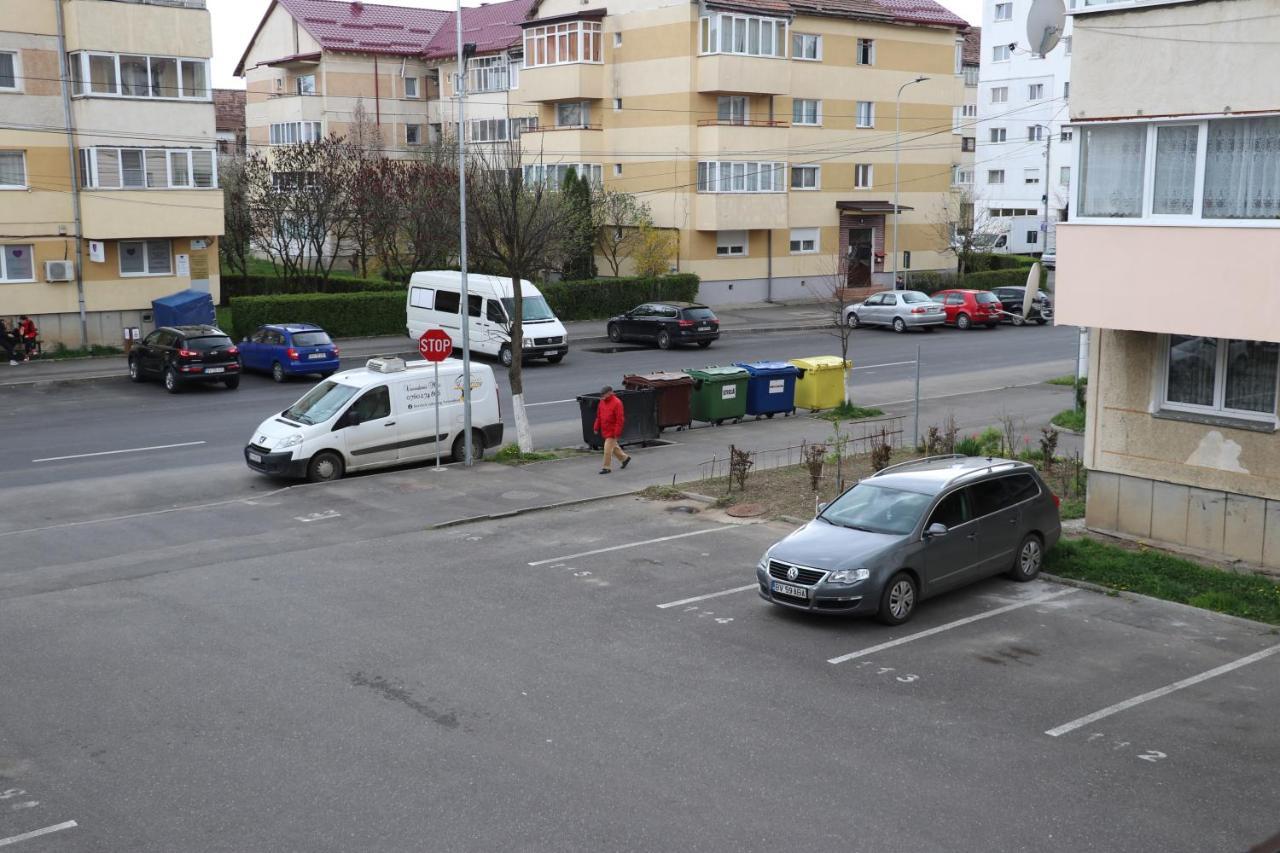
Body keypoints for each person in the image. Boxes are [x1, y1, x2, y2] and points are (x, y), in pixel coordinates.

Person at [593, 386, 631, 475]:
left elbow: (620, 420)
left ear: (610, 393)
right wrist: (596, 427)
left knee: (607, 449)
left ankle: (606, 468)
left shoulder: (617, 403)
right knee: (613, 447)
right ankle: (625, 458)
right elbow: (599, 416)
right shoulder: (602, 402)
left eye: (604, 394)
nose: (602, 396)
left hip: (612, 431)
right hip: (605, 429)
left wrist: (617, 433)